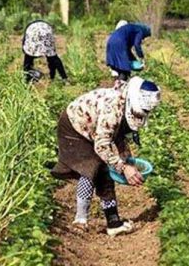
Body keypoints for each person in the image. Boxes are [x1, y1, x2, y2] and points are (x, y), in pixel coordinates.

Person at [50, 76, 161, 236]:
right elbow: (101, 144)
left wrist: (125, 159)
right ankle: (80, 220)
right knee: (90, 169)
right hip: (76, 127)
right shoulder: (113, 109)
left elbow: (117, 134)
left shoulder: (126, 102)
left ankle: (113, 222)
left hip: (94, 129)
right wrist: (123, 167)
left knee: (105, 173)